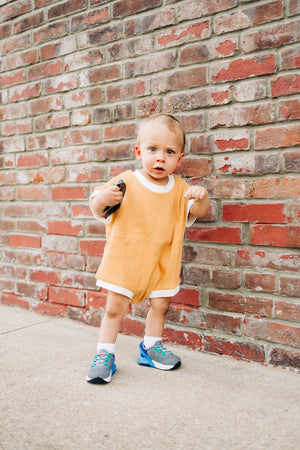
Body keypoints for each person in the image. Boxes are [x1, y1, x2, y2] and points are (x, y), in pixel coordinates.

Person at [86, 113, 209, 384]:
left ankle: (151, 347)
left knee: (160, 306)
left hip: (161, 262)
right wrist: (102, 199)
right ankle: (105, 354)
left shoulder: (180, 189)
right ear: (139, 151)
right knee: (115, 309)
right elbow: (98, 205)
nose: (160, 157)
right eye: (152, 149)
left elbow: (198, 210)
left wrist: (202, 196)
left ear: (180, 158)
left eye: (169, 151)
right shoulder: (126, 181)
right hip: (125, 260)